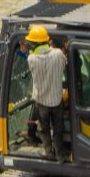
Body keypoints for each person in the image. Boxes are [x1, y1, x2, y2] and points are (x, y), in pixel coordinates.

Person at [25, 24, 68, 161]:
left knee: (44, 129)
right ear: (47, 41)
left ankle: (49, 152)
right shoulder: (58, 54)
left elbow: (32, 56)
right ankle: (60, 154)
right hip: (56, 99)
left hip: (41, 101)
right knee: (58, 128)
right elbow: (64, 64)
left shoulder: (31, 59)